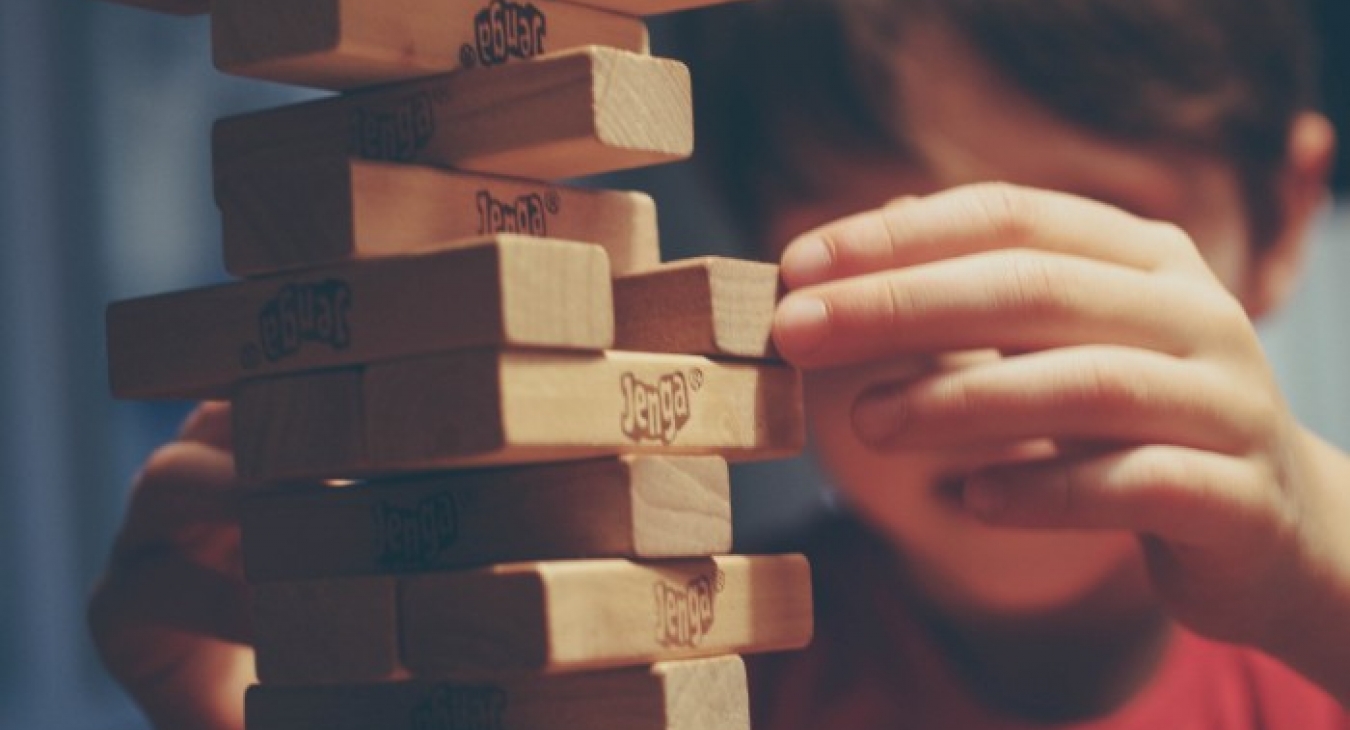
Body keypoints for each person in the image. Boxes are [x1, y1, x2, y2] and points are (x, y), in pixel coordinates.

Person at [89, 0, 1347, 727]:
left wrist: (1315, 554)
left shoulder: (1315, 636)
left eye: (1079, 248)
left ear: (1286, 218)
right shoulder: (686, 680)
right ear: (753, 271)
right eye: (880, 264)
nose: (978, 357)